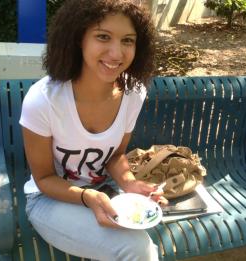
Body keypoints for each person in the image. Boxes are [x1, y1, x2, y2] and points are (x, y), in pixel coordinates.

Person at [20, 0, 163, 260]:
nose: (117, 53)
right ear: (78, 38)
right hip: (50, 200)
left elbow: (115, 155)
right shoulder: (43, 100)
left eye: (127, 40)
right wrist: (89, 198)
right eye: (103, 37)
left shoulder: (133, 92)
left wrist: (131, 185)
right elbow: (44, 179)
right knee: (137, 250)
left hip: (106, 192)